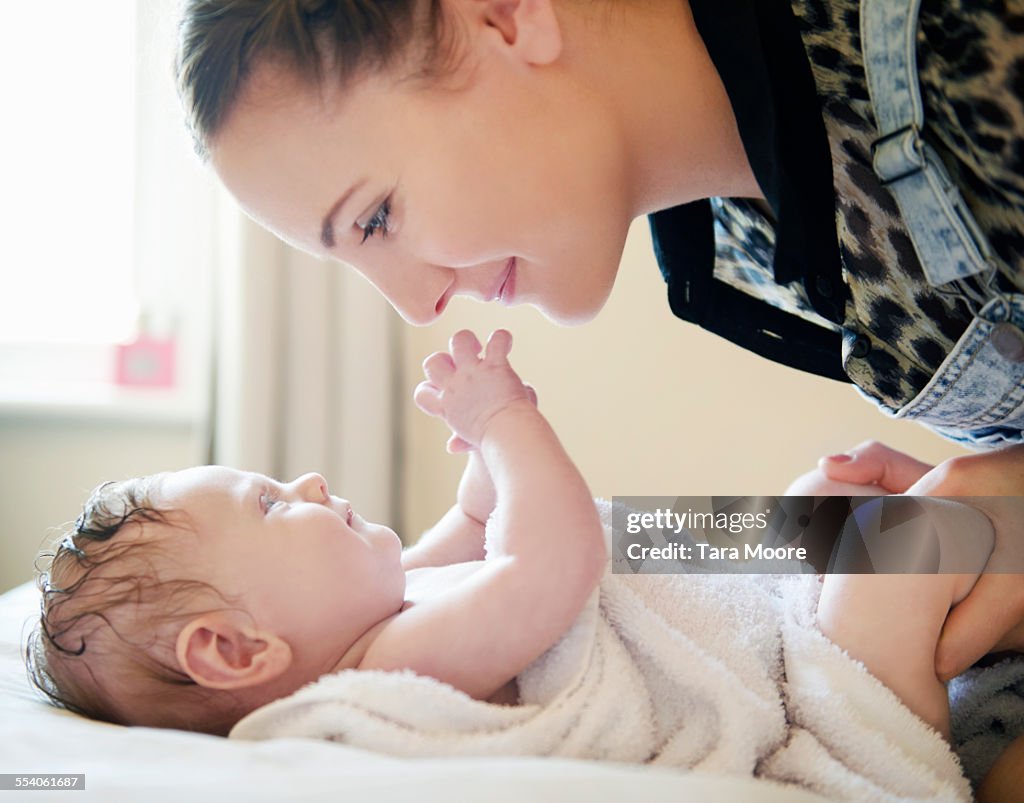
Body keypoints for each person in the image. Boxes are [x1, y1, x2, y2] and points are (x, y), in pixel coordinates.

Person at [172, 0, 1024, 667]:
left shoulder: (966, 49)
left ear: (505, 14)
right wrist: (977, 515)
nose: (416, 306)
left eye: (377, 217)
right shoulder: (736, 238)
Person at [23, 329, 1015, 798]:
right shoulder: (381, 673)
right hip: (832, 723)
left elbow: (483, 526)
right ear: (236, 648)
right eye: (273, 502)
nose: (314, 481)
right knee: (921, 535)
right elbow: (551, 560)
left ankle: (967, 580)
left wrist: (480, 474)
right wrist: (506, 422)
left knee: (831, 512)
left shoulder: (401, 605)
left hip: (772, 627)